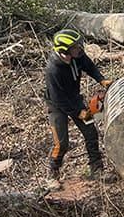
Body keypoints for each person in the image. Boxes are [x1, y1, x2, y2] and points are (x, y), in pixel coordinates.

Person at [45, 28, 112, 188]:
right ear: (64, 50)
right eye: (76, 47)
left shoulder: (77, 57)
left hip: (75, 100)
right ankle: (52, 175)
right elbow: (58, 99)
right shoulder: (53, 70)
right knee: (61, 143)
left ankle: (97, 170)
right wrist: (78, 112)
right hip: (57, 107)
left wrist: (101, 80)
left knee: (91, 132)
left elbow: (89, 66)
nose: (80, 49)